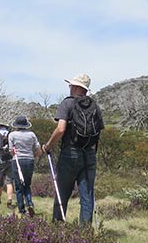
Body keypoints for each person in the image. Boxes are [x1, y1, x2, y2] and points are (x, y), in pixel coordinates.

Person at [40, 73, 104, 224]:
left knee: (62, 193)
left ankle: (57, 227)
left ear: (75, 87)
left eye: (70, 85)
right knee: (87, 196)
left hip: (70, 153)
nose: (69, 87)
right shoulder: (95, 106)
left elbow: (61, 129)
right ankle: (85, 233)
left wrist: (47, 146)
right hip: (89, 155)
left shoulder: (67, 103)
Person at [8, 116, 41, 216]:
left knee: (18, 186)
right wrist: (33, 156)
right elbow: (38, 148)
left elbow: (11, 151)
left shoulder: (12, 135)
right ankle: (29, 203)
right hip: (29, 160)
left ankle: (21, 209)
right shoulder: (32, 134)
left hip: (17, 161)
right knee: (27, 185)